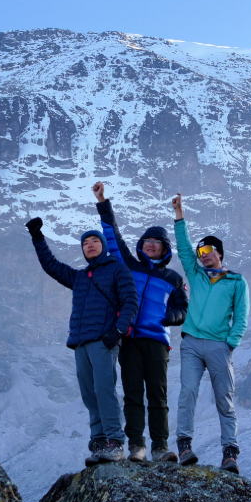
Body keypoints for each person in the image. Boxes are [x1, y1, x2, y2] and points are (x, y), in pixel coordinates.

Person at [26, 216, 139, 466]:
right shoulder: (79, 277)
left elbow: (130, 301)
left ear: (103, 246)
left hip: (103, 341)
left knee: (104, 390)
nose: (89, 244)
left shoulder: (117, 269)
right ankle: (99, 442)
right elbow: (51, 266)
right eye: (85, 242)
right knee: (89, 394)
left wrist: (118, 331)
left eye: (94, 240)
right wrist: (37, 237)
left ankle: (115, 442)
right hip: (80, 342)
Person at [92, 181, 189, 463]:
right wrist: (102, 201)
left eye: (155, 242)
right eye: (146, 241)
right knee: (133, 393)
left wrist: (166, 318)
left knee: (158, 395)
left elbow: (183, 309)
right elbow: (112, 237)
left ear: (164, 249)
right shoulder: (129, 265)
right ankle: (137, 446)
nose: (149, 244)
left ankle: (160, 447)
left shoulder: (173, 279)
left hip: (157, 342)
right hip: (130, 339)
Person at [171, 193, 250, 473]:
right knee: (188, 392)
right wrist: (180, 214)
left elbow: (241, 316)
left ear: (219, 253)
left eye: (207, 253)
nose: (202, 257)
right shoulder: (195, 274)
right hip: (191, 343)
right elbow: (182, 248)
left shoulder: (237, 282)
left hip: (219, 346)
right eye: (200, 254)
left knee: (224, 399)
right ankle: (184, 446)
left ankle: (230, 453)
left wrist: (231, 344)